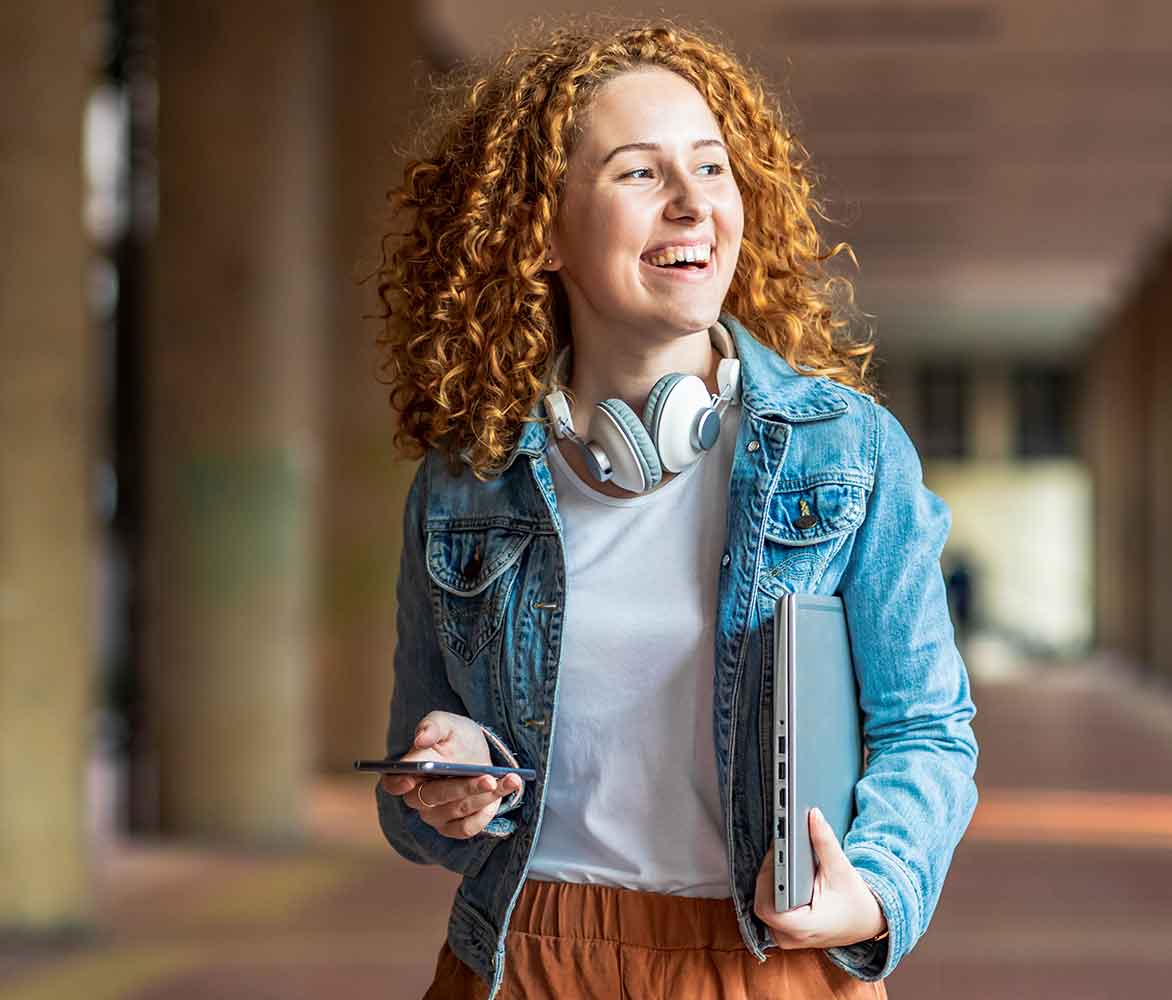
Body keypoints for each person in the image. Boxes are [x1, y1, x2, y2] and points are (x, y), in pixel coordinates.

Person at [370, 22, 979, 1000]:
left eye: (710, 166)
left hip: (767, 960)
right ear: (540, 230)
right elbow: (406, 803)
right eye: (639, 175)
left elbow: (926, 730)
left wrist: (869, 892)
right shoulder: (463, 482)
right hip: (525, 958)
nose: (695, 203)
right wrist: (453, 786)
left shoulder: (849, 454)